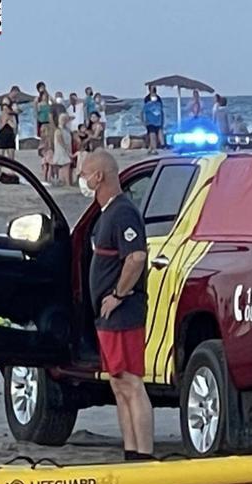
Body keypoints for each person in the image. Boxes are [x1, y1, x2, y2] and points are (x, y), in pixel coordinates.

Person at [79, 150, 154, 462]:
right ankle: (131, 451)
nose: (81, 179)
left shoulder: (123, 212)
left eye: (85, 174)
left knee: (132, 382)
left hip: (123, 311)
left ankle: (145, 454)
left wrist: (119, 295)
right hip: (107, 314)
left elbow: (136, 257)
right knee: (118, 383)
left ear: (99, 177)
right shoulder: (105, 214)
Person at [0, 98, 20, 183]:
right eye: (3, 106)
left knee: (11, 156)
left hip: (10, 135)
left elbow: (14, 126)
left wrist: (9, 121)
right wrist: (4, 122)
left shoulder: (12, 115)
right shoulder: (1, 115)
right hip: (2, 135)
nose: (5, 108)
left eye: (6, 105)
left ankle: (12, 171)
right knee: (0, 156)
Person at [142, 86, 164, 155]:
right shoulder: (147, 99)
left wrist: (162, 120)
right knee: (152, 134)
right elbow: (144, 110)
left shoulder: (158, 99)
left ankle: (152, 148)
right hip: (150, 120)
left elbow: (161, 110)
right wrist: (143, 120)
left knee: (155, 134)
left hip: (157, 120)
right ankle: (153, 148)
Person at [52, 114, 73, 186]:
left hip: (66, 149)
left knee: (65, 166)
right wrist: (66, 149)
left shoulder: (67, 129)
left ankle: (65, 182)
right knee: (66, 165)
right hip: (61, 151)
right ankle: (67, 183)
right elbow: (60, 141)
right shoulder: (58, 130)